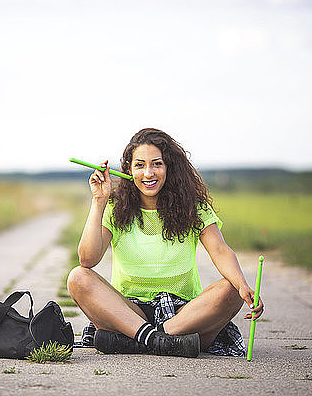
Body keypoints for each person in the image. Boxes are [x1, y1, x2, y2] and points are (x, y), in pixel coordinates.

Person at [67, 128, 264, 357]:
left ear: (169, 167)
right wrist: (99, 201)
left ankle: (143, 341)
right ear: (129, 170)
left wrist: (243, 285)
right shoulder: (116, 208)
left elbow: (220, 251)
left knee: (231, 287)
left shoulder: (194, 207)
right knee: (78, 277)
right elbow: (87, 259)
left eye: (156, 164)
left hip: (183, 316)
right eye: (140, 165)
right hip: (130, 313)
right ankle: (159, 341)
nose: (148, 173)